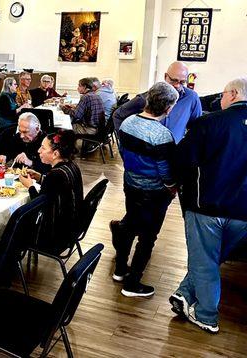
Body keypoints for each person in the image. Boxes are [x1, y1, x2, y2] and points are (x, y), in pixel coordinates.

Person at [169, 78, 247, 334]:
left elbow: (182, 160)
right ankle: (184, 294)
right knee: (210, 258)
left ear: (233, 94)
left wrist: (171, 184)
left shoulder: (209, 123)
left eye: (224, 95)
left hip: (206, 206)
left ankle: (206, 316)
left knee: (204, 260)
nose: (221, 100)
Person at [109, 82, 179, 298]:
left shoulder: (127, 123)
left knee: (130, 224)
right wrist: (171, 187)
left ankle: (120, 269)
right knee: (148, 236)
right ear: (168, 108)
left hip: (131, 184)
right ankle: (132, 283)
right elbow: (166, 170)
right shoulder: (162, 135)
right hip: (154, 192)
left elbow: (123, 152)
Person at [19, 129, 83, 254]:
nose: (39, 151)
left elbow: (39, 206)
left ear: (55, 154)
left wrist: (30, 186)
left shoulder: (55, 175)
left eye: (43, 148)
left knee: (12, 226)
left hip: (54, 237)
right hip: (72, 228)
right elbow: (56, 189)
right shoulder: (71, 166)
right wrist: (39, 177)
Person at [112, 61, 202, 143]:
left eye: (182, 82)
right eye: (174, 80)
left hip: (175, 155)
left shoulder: (191, 98)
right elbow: (118, 115)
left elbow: (196, 127)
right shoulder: (146, 97)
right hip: (146, 156)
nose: (177, 85)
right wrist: (125, 144)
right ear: (165, 76)